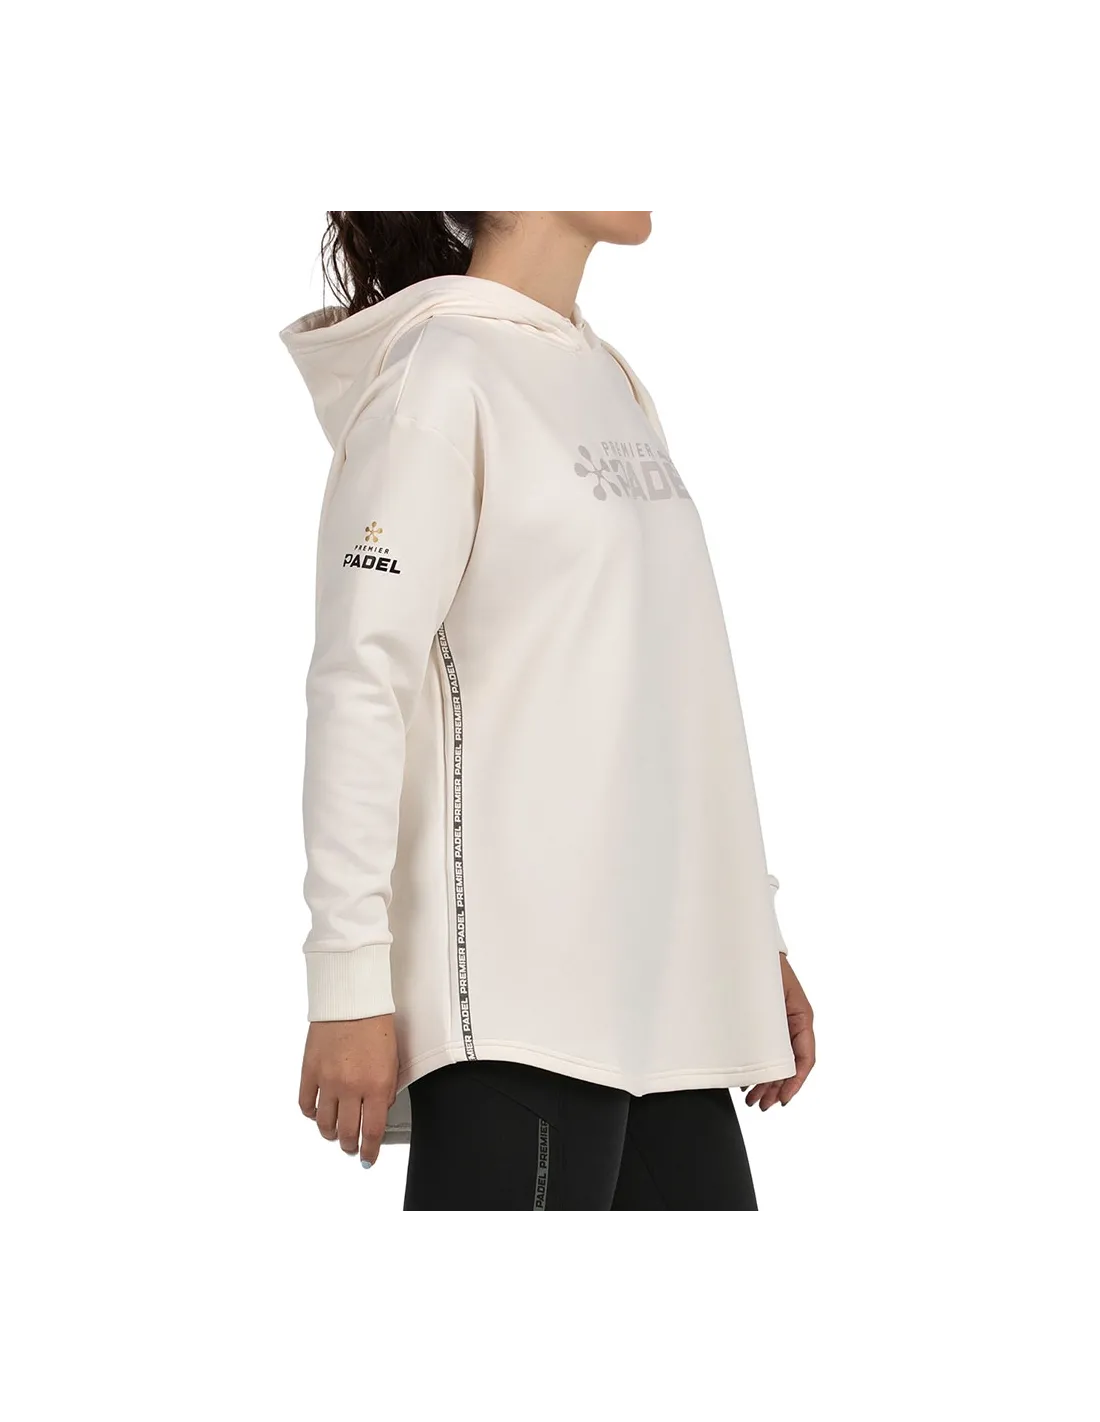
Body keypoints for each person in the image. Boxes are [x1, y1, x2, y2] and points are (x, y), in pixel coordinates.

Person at [278, 209, 816, 1215]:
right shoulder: (440, 375)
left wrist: (750, 937)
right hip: (516, 1011)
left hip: (657, 1009)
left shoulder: (606, 378)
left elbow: (667, 691)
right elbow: (360, 679)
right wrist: (346, 979)